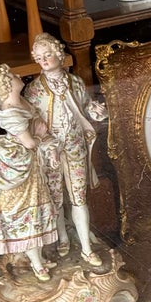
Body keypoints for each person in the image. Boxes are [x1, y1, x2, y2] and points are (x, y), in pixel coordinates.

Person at [22, 32, 107, 269]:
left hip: (75, 145)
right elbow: (31, 123)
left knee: (79, 197)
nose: (44, 60)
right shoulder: (33, 90)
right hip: (50, 152)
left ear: (59, 54)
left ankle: (87, 249)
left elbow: (86, 107)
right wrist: (44, 141)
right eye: (39, 57)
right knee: (55, 197)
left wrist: (97, 112)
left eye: (48, 54)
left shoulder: (76, 82)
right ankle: (63, 237)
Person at [0, 64, 60, 281]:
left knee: (39, 212)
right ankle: (37, 263)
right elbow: (30, 143)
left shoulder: (17, 101)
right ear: (8, 85)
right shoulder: (12, 110)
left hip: (31, 166)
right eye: (13, 76)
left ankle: (39, 259)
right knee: (28, 213)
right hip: (22, 165)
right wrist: (43, 137)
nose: (18, 76)